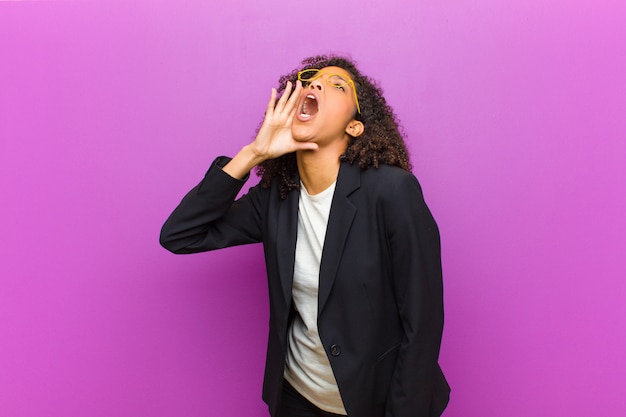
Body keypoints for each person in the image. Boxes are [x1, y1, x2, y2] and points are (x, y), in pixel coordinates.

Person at [160, 54, 450, 417]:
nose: (314, 84)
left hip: (374, 403)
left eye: (336, 85)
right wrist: (253, 154)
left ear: (355, 127)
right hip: (296, 398)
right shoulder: (275, 197)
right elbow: (180, 234)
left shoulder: (392, 192)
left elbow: (422, 323)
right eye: (310, 79)